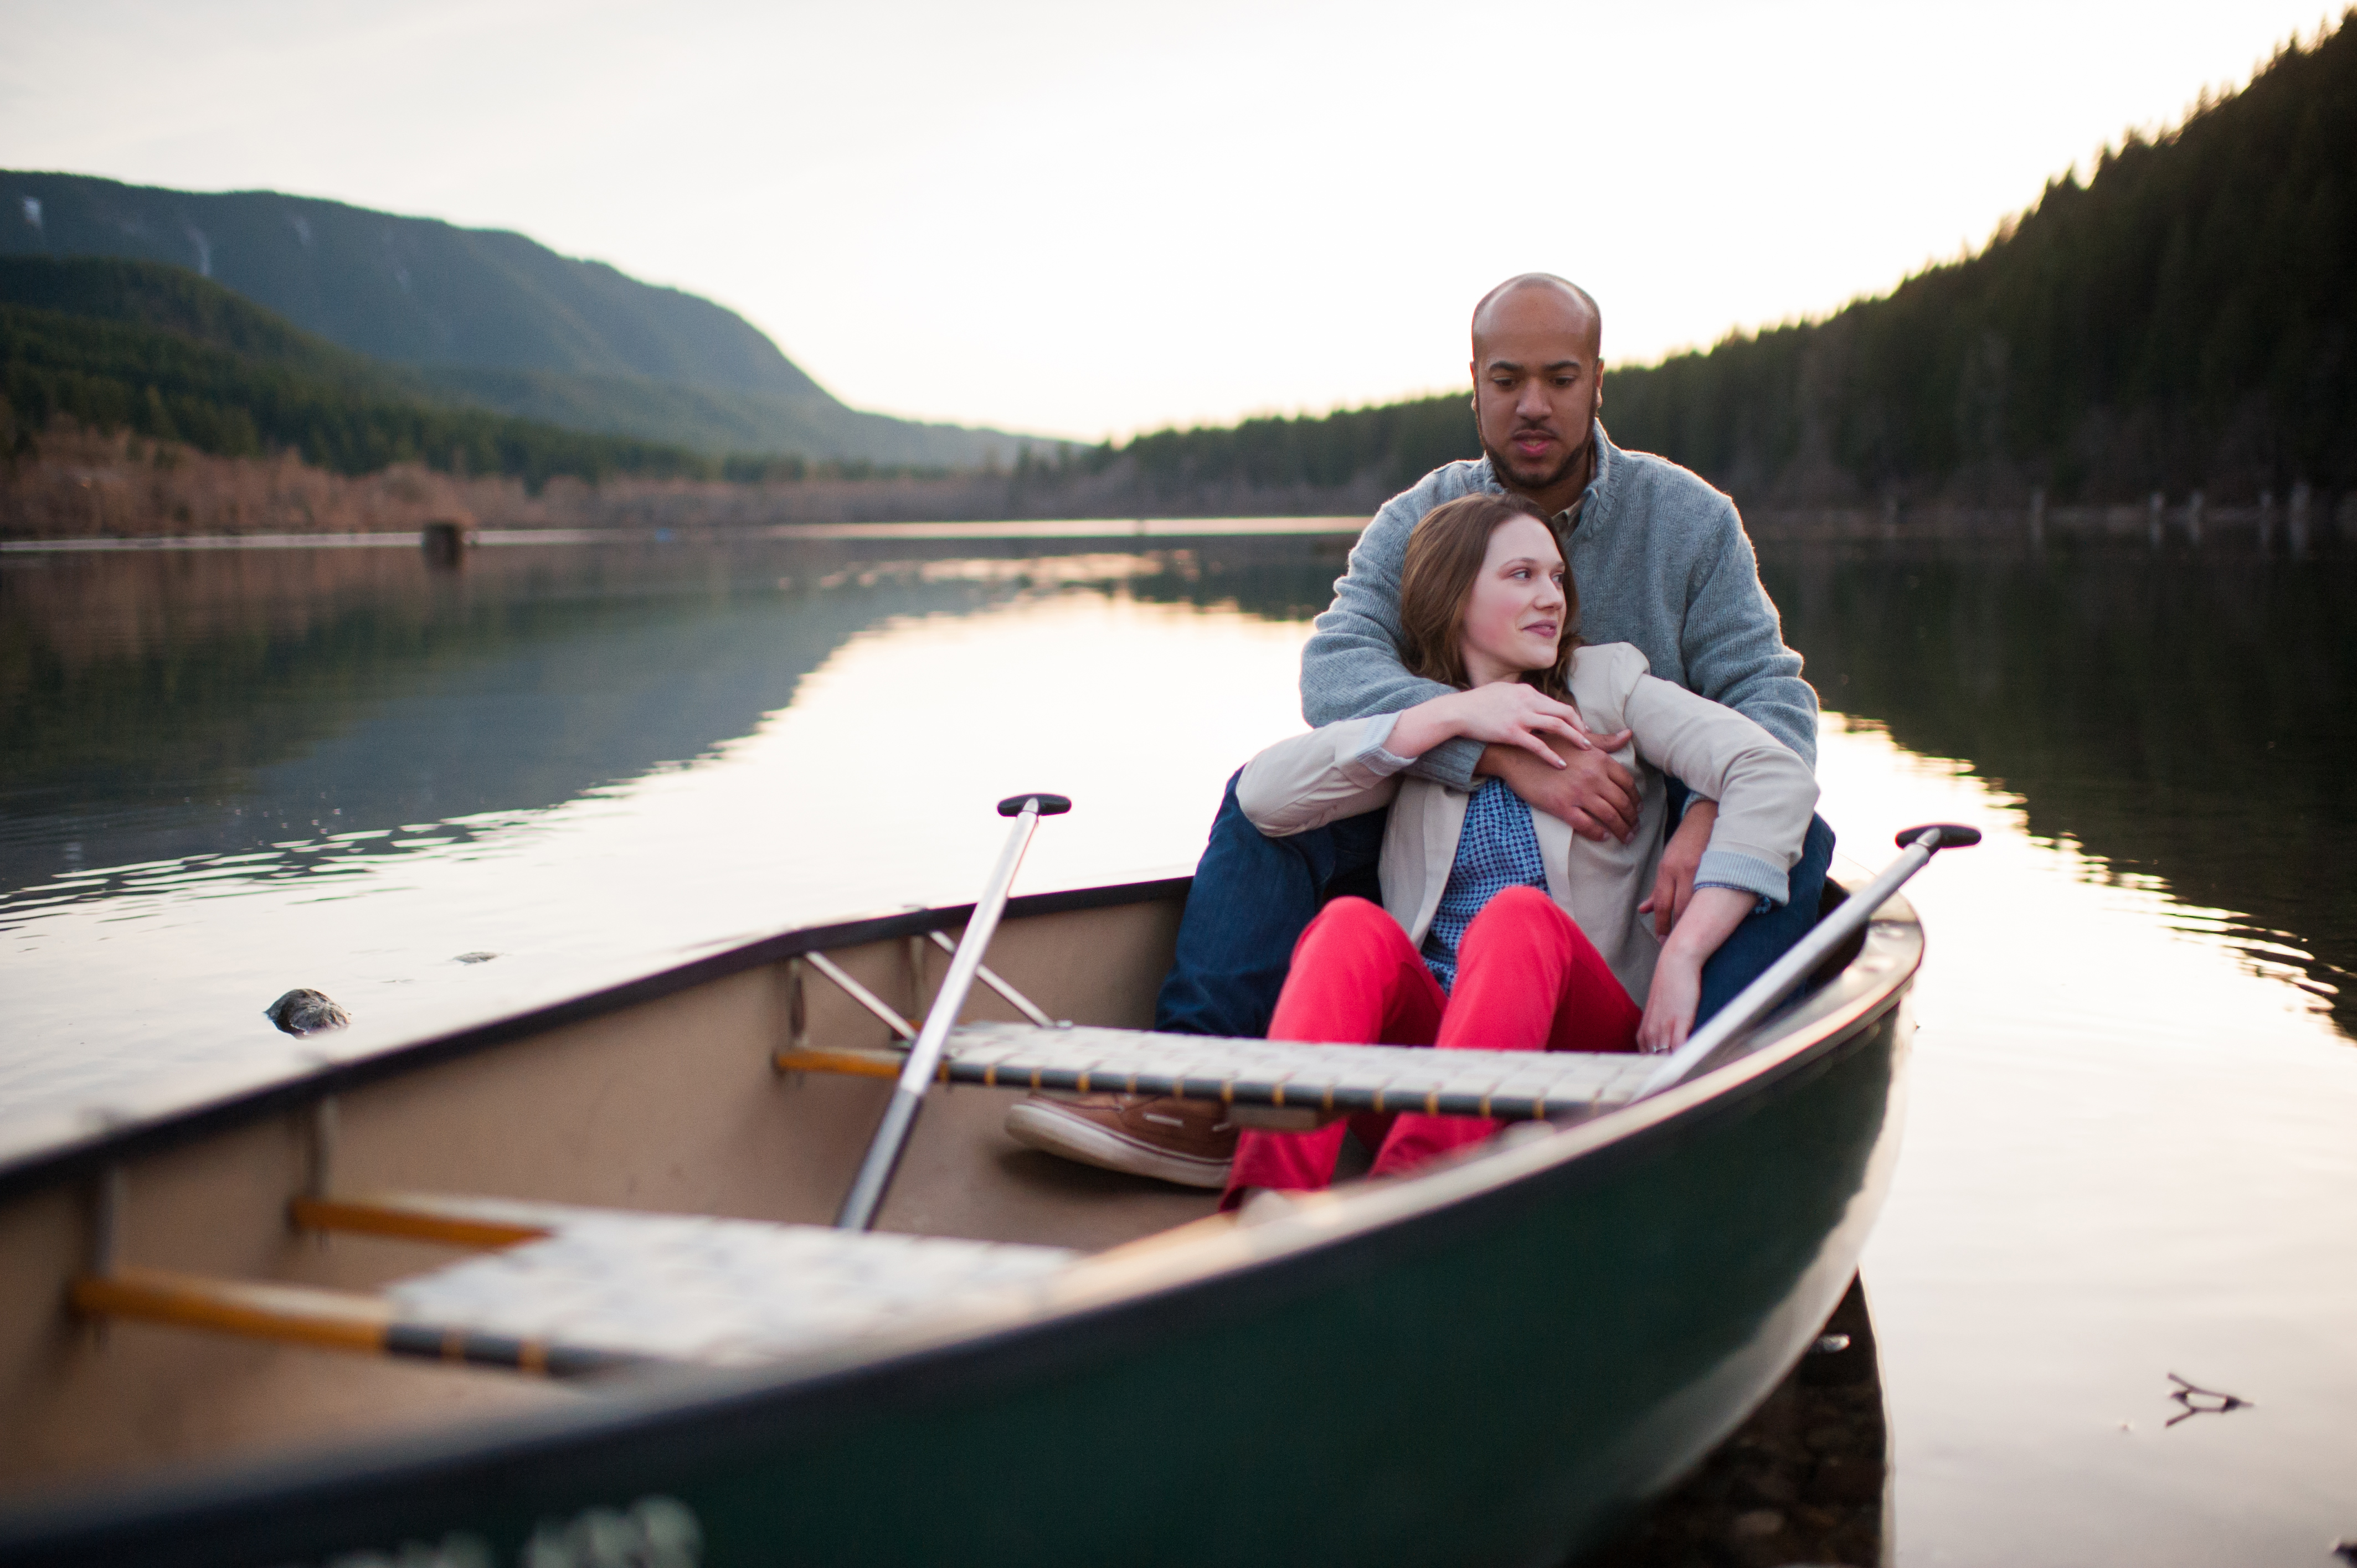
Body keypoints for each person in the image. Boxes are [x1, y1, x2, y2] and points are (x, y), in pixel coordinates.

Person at [1004, 273, 1834, 1188]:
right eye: (1507, 378)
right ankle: (1200, 1087)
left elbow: (1772, 704)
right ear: (1472, 381)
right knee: (1269, 814)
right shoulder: (1422, 521)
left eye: (1560, 379)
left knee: (1796, 840)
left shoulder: (1687, 522)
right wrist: (1497, 752)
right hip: (1443, 796)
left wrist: (1707, 817)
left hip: (1632, 833)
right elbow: (1335, 676)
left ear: (1598, 381)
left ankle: (1703, 1091)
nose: (1532, 405)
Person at [1214, 491, 1815, 1207]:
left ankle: (1417, 1196)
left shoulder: (1608, 687)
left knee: (1517, 917)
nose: (1551, 598)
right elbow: (1264, 798)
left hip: (1579, 1068)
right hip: (1434, 1061)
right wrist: (1455, 716)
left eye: (1557, 578)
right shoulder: (1427, 728)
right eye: (1522, 576)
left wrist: (1686, 951)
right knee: (1349, 927)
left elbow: (1772, 769)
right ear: (1454, 594)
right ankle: (1266, 1200)